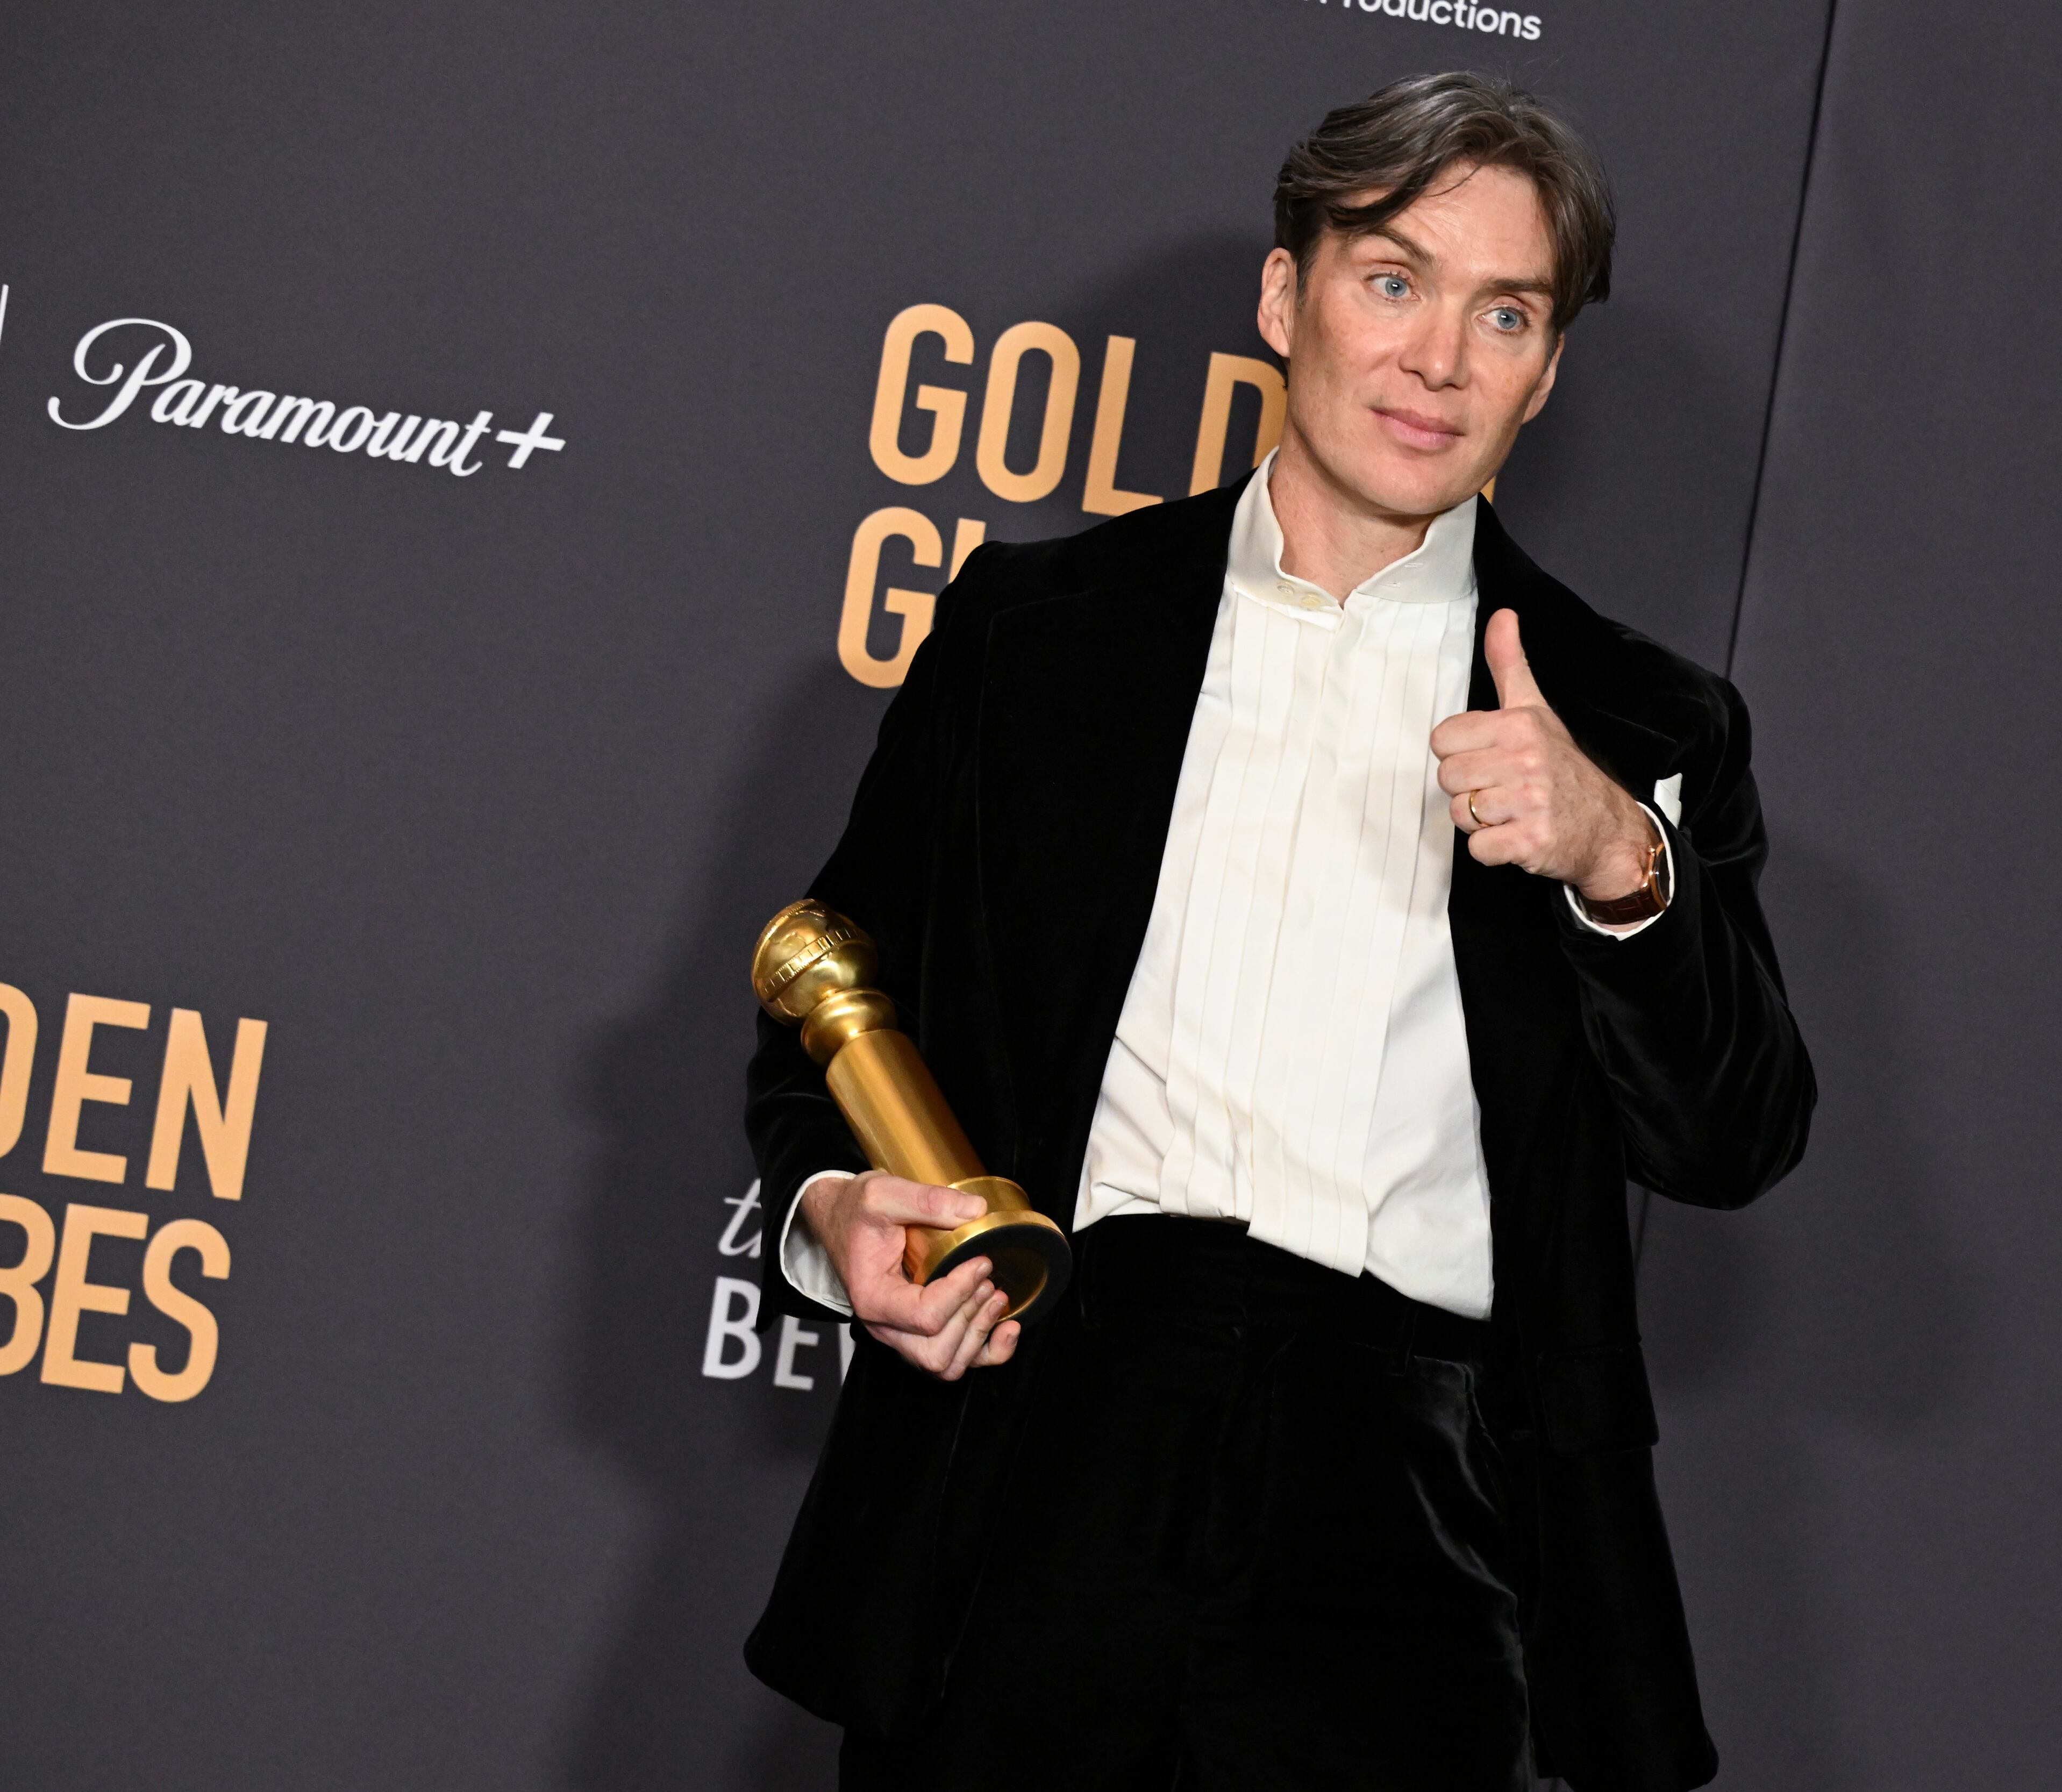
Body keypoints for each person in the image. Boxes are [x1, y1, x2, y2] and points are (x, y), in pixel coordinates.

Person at [745, 71, 1814, 1792]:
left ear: (1545, 374)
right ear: (1281, 294)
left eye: (1505, 312)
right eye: (1393, 278)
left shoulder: (1632, 719)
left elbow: (1735, 1137)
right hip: (1044, 1443)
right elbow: (830, 1004)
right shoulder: (1036, 638)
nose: (1438, 358)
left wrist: (1621, 856)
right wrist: (836, 1208)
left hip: (1411, 1513)